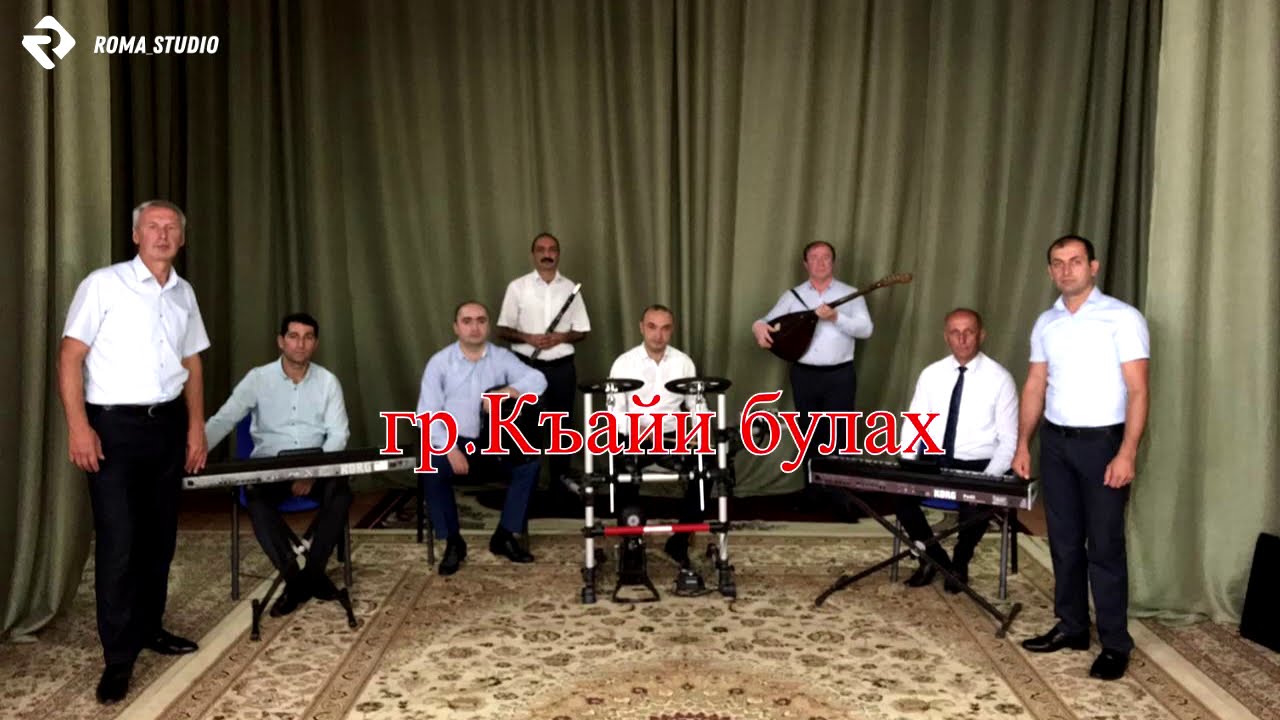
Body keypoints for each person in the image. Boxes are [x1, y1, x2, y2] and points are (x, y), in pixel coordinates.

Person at [58, 200, 209, 704]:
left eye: (171, 228)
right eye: (152, 226)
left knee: (159, 539)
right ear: (135, 235)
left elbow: (192, 362)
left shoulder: (184, 292)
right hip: (113, 429)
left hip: (166, 425)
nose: (162, 234)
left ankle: (149, 627)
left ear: (181, 238)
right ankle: (118, 658)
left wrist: (195, 428)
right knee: (119, 543)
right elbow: (70, 357)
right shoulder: (103, 285)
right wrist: (79, 427)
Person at [1013, 234, 1149, 682]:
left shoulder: (1122, 318)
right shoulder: (1046, 323)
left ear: (1093, 266)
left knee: (1105, 546)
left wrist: (1127, 451)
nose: (1066, 269)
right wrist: (1023, 443)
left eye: (1075, 261)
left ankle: (1115, 643)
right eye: (1058, 262)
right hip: (1056, 442)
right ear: (1050, 270)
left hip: (1103, 444)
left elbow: (1138, 390)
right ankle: (1072, 626)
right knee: (1064, 541)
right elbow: (1035, 385)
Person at [204, 312, 352, 617]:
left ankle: (310, 575)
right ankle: (296, 579)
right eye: (294, 336)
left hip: (316, 467)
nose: (301, 344)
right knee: (255, 496)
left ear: (315, 343)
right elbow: (224, 419)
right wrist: (193, 451)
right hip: (270, 468)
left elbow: (339, 434)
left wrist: (311, 473)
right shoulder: (258, 379)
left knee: (341, 492)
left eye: (308, 337)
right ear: (281, 341)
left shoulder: (328, 382)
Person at [417, 301, 548, 576]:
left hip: (494, 443)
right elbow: (427, 414)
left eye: (481, 320)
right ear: (456, 327)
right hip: (455, 442)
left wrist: (510, 391)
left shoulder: (502, 358)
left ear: (488, 325)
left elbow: (538, 380)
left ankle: (504, 535)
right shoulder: (440, 363)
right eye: (467, 321)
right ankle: (453, 542)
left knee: (529, 465)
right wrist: (449, 448)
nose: (474, 327)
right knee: (431, 466)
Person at [897, 309, 1018, 592]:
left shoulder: (1001, 379)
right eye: (955, 332)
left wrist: (986, 480)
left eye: (969, 332)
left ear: (981, 335)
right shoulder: (931, 374)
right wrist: (906, 465)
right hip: (934, 459)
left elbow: (1009, 440)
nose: (962, 339)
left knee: (975, 506)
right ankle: (933, 559)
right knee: (900, 497)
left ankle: (960, 563)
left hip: (978, 463)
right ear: (946, 337)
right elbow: (914, 424)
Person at [751, 240, 873, 514]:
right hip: (804, 374)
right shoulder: (792, 296)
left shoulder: (851, 294)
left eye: (826, 257)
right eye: (814, 258)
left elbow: (866, 329)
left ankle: (841, 498)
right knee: (809, 435)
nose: (820, 262)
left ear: (833, 262)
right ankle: (812, 495)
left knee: (840, 436)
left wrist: (836, 317)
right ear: (805, 264)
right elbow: (765, 321)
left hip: (840, 374)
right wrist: (758, 327)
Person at [496, 232, 591, 504]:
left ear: (558, 254)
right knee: (526, 427)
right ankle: (526, 487)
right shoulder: (517, 287)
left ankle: (560, 487)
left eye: (552, 249)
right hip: (526, 367)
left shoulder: (571, 288)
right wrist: (528, 338)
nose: (547, 254)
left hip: (561, 368)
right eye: (541, 249)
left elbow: (582, 331)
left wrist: (562, 337)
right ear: (533, 254)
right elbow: (502, 329)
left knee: (560, 427)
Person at [606, 304, 704, 567]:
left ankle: (679, 542)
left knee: (705, 471)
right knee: (622, 471)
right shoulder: (624, 363)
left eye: (665, 328)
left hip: (671, 435)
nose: (658, 335)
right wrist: (636, 429)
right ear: (641, 327)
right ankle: (632, 542)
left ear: (672, 330)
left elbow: (696, 404)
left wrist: (699, 432)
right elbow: (614, 411)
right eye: (652, 327)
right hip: (633, 435)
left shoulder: (683, 362)